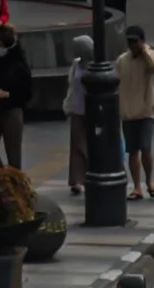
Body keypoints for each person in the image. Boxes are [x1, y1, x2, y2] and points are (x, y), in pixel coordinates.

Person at [120, 26, 154, 200]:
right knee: (132, 151)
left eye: (135, 41)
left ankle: (150, 182)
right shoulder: (123, 60)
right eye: (129, 41)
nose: (132, 45)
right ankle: (137, 186)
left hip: (146, 111)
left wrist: (145, 49)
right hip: (129, 111)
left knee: (146, 147)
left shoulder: (150, 57)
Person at [0, 23, 33, 169]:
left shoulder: (19, 66)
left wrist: (9, 94)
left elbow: (28, 93)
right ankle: (2, 174)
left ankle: (15, 183)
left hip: (12, 111)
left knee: (14, 155)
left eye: (1, 45)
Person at [65, 35, 91, 194]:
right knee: (77, 145)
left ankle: (90, 174)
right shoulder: (76, 64)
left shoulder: (96, 65)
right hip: (77, 108)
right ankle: (76, 179)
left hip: (92, 111)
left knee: (91, 145)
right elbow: (71, 85)